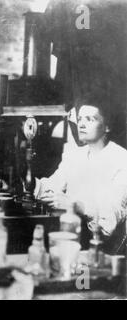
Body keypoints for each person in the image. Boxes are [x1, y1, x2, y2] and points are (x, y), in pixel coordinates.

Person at [35, 99, 127, 252]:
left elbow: (112, 214)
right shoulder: (75, 156)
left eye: (90, 119)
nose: (82, 125)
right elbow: (53, 186)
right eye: (79, 119)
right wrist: (30, 181)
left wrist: (76, 206)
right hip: (71, 236)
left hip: (104, 249)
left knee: (80, 274)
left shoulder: (122, 159)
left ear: (107, 126)